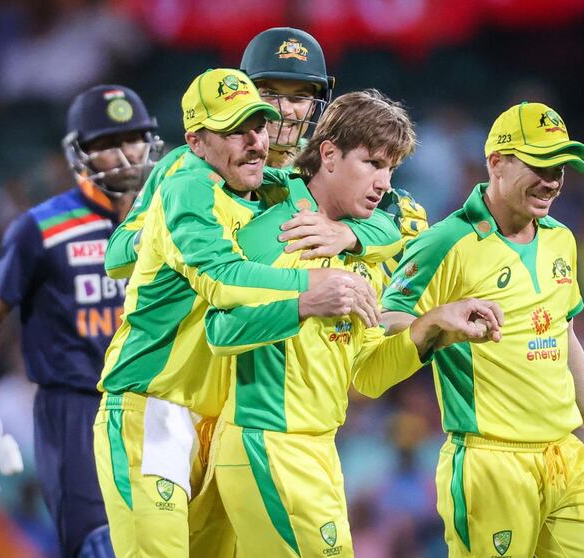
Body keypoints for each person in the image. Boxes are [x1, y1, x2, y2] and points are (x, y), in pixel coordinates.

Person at [92, 69, 396, 558]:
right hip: (155, 404)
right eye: (238, 130)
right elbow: (217, 278)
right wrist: (313, 285)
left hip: (220, 416)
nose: (257, 141)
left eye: (259, 125)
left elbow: (380, 214)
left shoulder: (267, 187)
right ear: (196, 141)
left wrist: (352, 236)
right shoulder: (186, 182)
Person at [201, 90, 503, 558]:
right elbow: (218, 332)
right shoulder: (276, 228)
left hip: (320, 449)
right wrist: (305, 303)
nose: (383, 182)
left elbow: (367, 373)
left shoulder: (361, 250)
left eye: (391, 169)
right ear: (328, 155)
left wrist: (432, 326)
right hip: (266, 443)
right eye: (371, 163)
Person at [371, 101, 584, 557]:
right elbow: (383, 319)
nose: (553, 180)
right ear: (495, 163)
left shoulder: (562, 237)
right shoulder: (448, 241)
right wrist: (438, 320)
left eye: (560, 166)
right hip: (489, 463)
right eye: (540, 164)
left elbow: (565, 338)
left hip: (566, 458)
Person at [0, 84, 164, 558]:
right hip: (77, 411)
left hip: (160, 404)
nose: (125, 154)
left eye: (133, 139)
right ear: (80, 154)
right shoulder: (42, 228)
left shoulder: (171, 219)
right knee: (101, 546)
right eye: (107, 143)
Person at [104, 26, 423, 281]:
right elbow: (116, 259)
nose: (285, 110)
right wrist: (173, 228)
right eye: (270, 94)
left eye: (299, 96)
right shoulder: (187, 164)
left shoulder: (322, 168)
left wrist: (349, 232)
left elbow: (388, 230)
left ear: (317, 103)